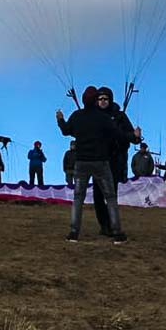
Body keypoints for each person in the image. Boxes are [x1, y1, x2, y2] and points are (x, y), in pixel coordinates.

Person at [56, 85, 127, 243]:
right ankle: (117, 234)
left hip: (81, 163)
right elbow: (117, 134)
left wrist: (60, 119)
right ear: (96, 101)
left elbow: (66, 130)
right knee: (110, 197)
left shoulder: (77, 116)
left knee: (78, 198)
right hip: (101, 163)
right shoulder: (104, 118)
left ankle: (74, 233)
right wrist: (133, 136)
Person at [93, 85, 141, 236]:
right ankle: (104, 225)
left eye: (105, 98)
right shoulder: (93, 116)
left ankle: (113, 225)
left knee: (110, 194)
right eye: (100, 98)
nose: (102, 101)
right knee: (98, 195)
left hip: (114, 160)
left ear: (110, 100)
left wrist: (135, 137)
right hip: (98, 160)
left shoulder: (119, 116)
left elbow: (131, 136)